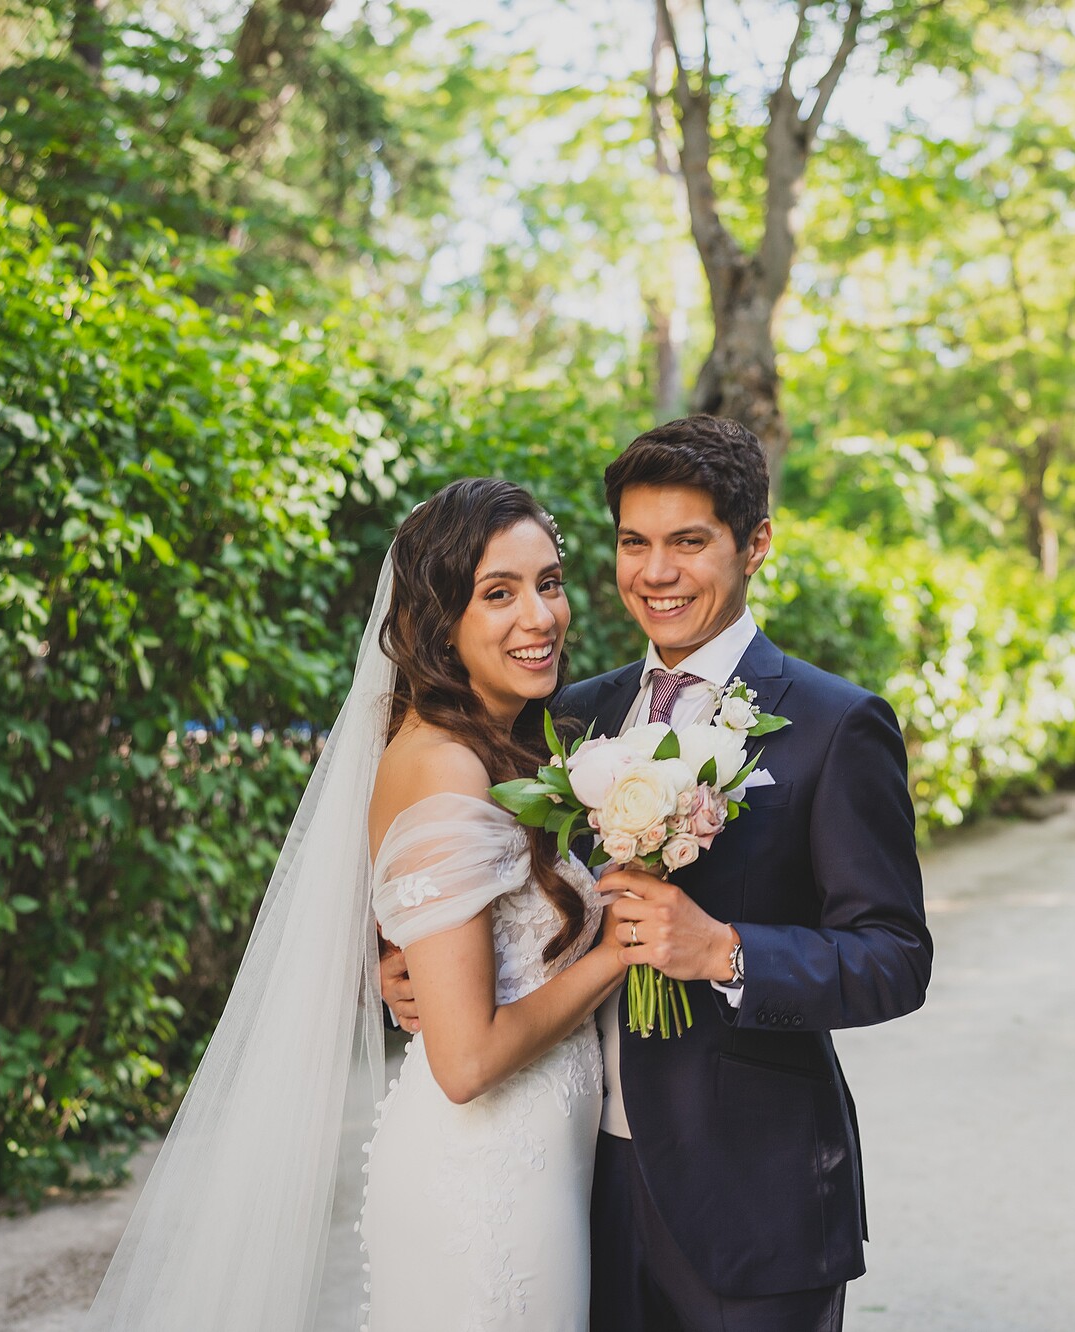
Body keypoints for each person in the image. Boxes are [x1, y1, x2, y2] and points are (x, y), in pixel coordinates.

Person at [383, 416, 934, 1332]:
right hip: (572, 1185)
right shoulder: (563, 714)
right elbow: (455, 867)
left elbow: (894, 958)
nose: (656, 572)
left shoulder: (837, 727)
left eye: (689, 541)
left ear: (755, 544)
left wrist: (725, 951)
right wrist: (402, 964)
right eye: (634, 543)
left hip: (750, 1197)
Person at [83, 478, 622, 1332]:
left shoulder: (503, 740)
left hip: (535, 1163)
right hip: (488, 1182)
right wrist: (616, 953)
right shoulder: (446, 762)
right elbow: (466, 1061)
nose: (540, 616)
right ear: (440, 621)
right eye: (498, 593)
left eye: (548, 582)